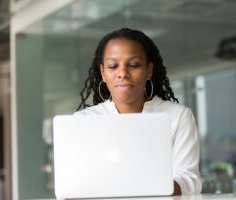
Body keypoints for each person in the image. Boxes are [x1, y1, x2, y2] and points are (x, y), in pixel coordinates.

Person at [75, 28, 202, 195]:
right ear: (103, 73)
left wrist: (134, 186)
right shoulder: (83, 121)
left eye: (134, 65)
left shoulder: (177, 116)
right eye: (113, 66)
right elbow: (75, 181)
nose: (122, 73)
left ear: (149, 71)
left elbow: (189, 180)